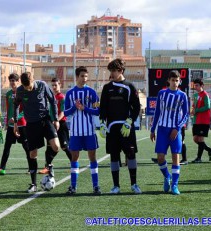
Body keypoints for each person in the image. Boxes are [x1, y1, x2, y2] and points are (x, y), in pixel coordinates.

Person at [100, 59, 142, 195]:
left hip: (126, 128)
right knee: (113, 156)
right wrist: (102, 123)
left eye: (114, 70)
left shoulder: (130, 86)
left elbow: (137, 107)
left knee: (130, 155)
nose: (112, 73)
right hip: (112, 128)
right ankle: (116, 186)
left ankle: (134, 184)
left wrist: (130, 121)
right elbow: (103, 108)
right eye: (110, 71)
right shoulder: (107, 88)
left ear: (121, 71)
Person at [13, 72, 60, 193]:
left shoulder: (42, 85)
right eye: (25, 87)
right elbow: (16, 105)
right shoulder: (20, 90)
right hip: (31, 124)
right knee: (32, 154)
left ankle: (48, 164)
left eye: (29, 87)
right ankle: (33, 184)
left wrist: (55, 119)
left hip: (45, 120)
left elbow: (52, 100)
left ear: (33, 81)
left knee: (56, 146)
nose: (27, 89)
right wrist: (16, 123)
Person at [150, 70, 189, 195]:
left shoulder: (182, 95)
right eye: (172, 80)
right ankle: (167, 176)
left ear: (179, 81)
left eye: (176, 80)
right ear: (168, 81)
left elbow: (186, 114)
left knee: (175, 157)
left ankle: (175, 185)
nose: (174, 83)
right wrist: (152, 129)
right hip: (162, 129)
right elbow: (157, 113)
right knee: (160, 157)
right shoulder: (161, 93)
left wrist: (177, 128)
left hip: (175, 131)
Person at [64, 66, 101, 195]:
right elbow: (65, 112)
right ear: (77, 77)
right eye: (82, 76)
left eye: (86, 76)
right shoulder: (69, 94)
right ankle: (73, 186)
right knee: (74, 158)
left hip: (89, 131)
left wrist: (85, 108)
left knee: (92, 157)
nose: (84, 79)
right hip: (75, 132)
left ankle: (96, 186)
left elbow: (98, 111)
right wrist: (75, 107)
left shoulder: (91, 93)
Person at [0, 73, 30, 175]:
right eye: (11, 80)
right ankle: (2, 168)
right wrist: (7, 122)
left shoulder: (23, 92)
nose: (12, 82)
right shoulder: (8, 94)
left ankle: (31, 168)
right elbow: (8, 109)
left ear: (18, 81)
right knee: (7, 147)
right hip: (11, 126)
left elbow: (26, 109)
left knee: (27, 147)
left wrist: (17, 118)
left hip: (22, 125)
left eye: (14, 80)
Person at [39, 77, 72, 174]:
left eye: (55, 85)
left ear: (60, 85)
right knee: (49, 146)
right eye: (52, 85)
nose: (53, 87)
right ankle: (47, 167)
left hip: (61, 124)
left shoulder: (62, 97)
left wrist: (57, 120)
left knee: (65, 146)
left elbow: (63, 112)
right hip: (52, 124)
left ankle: (74, 163)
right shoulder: (51, 97)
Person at [191, 79, 211, 163]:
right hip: (196, 120)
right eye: (195, 85)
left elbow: (208, 106)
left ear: (202, 86)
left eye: (197, 85)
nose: (195, 87)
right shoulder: (195, 95)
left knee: (200, 139)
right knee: (195, 139)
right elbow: (194, 106)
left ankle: (199, 158)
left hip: (204, 121)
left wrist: (197, 110)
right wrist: (193, 111)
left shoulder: (205, 94)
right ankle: (209, 149)